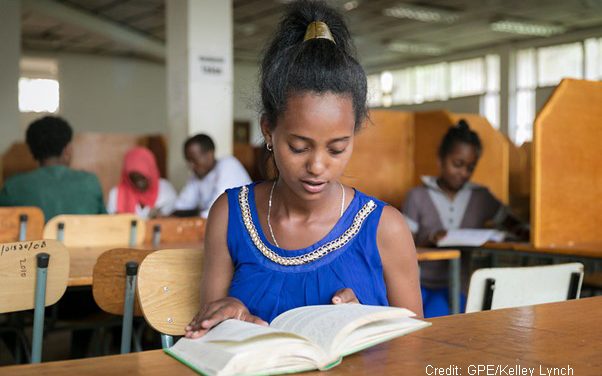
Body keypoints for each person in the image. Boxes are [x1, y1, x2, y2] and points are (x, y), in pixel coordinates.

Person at [184, 0, 422, 338]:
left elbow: (414, 349)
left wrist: (368, 324)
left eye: (338, 148)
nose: (318, 166)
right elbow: (207, 336)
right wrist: (229, 316)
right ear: (268, 130)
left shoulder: (386, 228)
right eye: (299, 147)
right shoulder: (230, 215)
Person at [402, 119, 528, 318]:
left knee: (446, 316)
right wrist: (430, 239)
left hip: (459, 286)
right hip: (419, 284)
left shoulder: (481, 196)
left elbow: (512, 222)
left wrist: (519, 233)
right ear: (440, 160)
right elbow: (402, 249)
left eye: (470, 167)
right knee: (422, 318)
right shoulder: (418, 196)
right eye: (457, 164)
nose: (463, 173)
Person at [0, 116, 106, 221]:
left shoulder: (12, 187)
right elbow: (105, 225)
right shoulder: (90, 182)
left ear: (32, 152)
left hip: (35, 238)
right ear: (67, 150)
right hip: (80, 238)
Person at [173, 134, 252, 218]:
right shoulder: (197, 176)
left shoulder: (228, 164)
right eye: (188, 161)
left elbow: (215, 211)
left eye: (194, 160)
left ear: (209, 154)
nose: (191, 166)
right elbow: (180, 206)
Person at [106, 146, 177, 219]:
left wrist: (161, 217)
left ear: (151, 172)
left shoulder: (165, 190)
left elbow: (175, 220)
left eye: (143, 177)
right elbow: (111, 223)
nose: (139, 183)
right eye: (134, 178)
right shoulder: (116, 194)